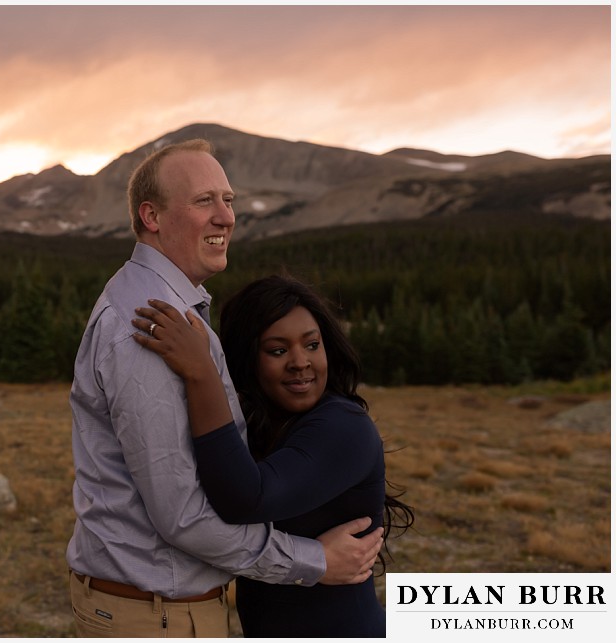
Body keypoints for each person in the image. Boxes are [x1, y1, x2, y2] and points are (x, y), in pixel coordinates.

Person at [66, 138, 384, 638]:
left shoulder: (172, 313)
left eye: (228, 200)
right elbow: (184, 518)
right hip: (155, 615)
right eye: (204, 201)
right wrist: (314, 560)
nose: (226, 217)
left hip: (161, 608)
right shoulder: (151, 325)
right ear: (151, 216)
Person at [131, 275, 416, 637]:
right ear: (248, 359)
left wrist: (202, 372)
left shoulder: (344, 427)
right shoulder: (264, 424)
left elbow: (247, 499)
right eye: (277, 350)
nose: (300, 362)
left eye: (312, 345)